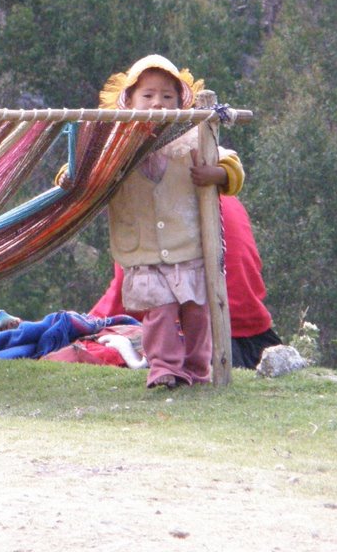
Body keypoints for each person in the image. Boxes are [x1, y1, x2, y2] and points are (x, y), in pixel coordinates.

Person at [85, 55, 244, 389]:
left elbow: (231, 164)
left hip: (189, 248)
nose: (158, 102)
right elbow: (80, 174)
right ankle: (164, 368)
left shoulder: (192, 138)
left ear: (182, 101)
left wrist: (217, 172)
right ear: (128, 100)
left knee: (197, 312)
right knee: (160, 313)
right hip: (144, 251)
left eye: (167, 96)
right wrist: (77, 180)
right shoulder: (116, 146)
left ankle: (198, 368)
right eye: (148, 95)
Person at [89, 194, 282, 369]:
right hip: (255, 341)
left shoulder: (147, 208)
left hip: (207, 342)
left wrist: (81, 326)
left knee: (82, 344)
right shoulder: (224, 193)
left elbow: (125, 299)